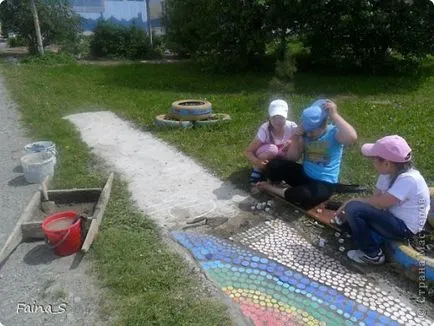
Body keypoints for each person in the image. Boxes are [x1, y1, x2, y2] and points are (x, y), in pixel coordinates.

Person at [335, 135, 430, 265]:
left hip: (403, 228)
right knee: (350, 219)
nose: (372, 162)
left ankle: (373, 254)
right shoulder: (387, 174)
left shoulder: (409, 179)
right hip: (391, 217)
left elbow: (379, 203)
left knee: (353, 209)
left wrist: (351, 202)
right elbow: (376, 199)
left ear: (386, 163)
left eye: (374, 159)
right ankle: (373, 237)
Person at [256, 99, 357, 208]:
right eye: (307, 130)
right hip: (305, 175)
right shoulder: (304, 134)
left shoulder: (334, 133)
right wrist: (295, 138)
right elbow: (291, 158)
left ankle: (271, 188)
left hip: (325, 183)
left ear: (323, 125)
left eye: (312, 131)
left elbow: (352, 137)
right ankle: (284, 188)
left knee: (301, 196)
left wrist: (335, 115)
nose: (309, 134)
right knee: (274, 164)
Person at [244, 99, 301, 187]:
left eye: (281, 117)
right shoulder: (265, 129)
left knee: (296, 144)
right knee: (272, 149)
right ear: (269, 117)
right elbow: (248, 152)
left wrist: (292, 141)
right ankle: (258, 170)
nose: (278, 121)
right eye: (274, 117)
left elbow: (303, 136)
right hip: (265, 155)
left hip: (280, 157)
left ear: (286, 117)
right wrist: (257, 161)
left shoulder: (292, 127)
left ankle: (279, 172)